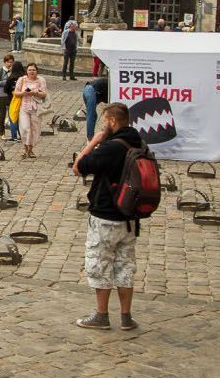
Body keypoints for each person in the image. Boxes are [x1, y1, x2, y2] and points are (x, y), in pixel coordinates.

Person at [71, 102, 144, 331]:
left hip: (106, 213)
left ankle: (102, 315)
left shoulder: (111, 147)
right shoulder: (138, 142)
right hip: (129, 216)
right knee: (124, 264)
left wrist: (93, 142)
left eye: (104, 121)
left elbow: (79, 166)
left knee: (100, 263)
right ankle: (126, 316)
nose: (103, 125)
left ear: (112, 121)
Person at [15, 62, 48, 159]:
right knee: (25, 128)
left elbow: (44, 94)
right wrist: (23, 93)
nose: (31, 71)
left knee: (35, 130)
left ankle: (30, 149)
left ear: (37, 71)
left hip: (36, 108)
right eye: (30, 70)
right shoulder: (22, 80)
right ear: (26, 71)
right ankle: (25, 148)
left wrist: (36, 92)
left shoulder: (41, 80)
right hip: (24, 107)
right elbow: (16, 93)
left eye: (33, 70)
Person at [3, 61, 26, 140]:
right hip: (23, 101)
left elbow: (5, 89)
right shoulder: (25, 78)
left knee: (13, 119)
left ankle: (14, 137)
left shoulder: (10, 78)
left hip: (11, 101)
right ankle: (21, 136)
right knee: (21, 120)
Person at [0, 54, 13, 136]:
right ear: (5, 62)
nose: (10, 64)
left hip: (10, 95)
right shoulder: (0, 70)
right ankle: (2, 133)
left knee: (11, 114)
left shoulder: (12, 71)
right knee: (2, 114)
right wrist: (6, 82)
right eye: (8, 62)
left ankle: (13, 133)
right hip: (1, 95)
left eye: (11, 62)